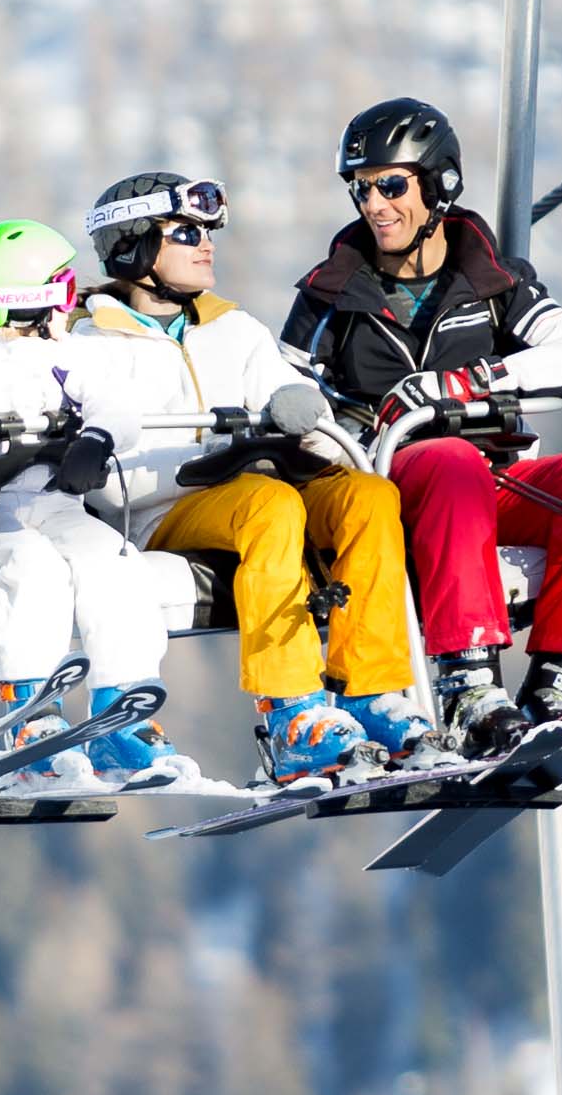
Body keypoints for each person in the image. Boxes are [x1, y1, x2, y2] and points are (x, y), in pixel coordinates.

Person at [279, 98, 562, 758]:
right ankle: (468, 690)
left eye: (391, 185)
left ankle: (559, 687)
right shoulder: (329, 297)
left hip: (495, 483)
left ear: (440, 185)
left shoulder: (492, 282)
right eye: (361, 189)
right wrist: (343, 437)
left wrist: (466, 385)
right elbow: (281, 401)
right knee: (450, 460)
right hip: (392, 486)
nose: (375, 205)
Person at [77, 169, 459, 781]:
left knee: (366, 494)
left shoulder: (233, 327)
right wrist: (224, 453)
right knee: (268, 503)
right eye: (186, 232)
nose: (207, 244)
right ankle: (294, 711)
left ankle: (373, 691)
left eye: (209, 230)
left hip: (266, 491)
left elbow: (303, 409)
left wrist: (300, 422)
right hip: (166, 511)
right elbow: (112, 481)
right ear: (134, 247)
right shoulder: (91, 347)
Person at [0, 220, 207, 792]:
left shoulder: (72, 358)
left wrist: (98, 439)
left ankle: (120, 707)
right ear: (31, 300)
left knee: (114, 559)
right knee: (31, 566)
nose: (71, 303)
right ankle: (32, 715)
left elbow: (118, 404)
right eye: (65, 288)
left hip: (55, 502)